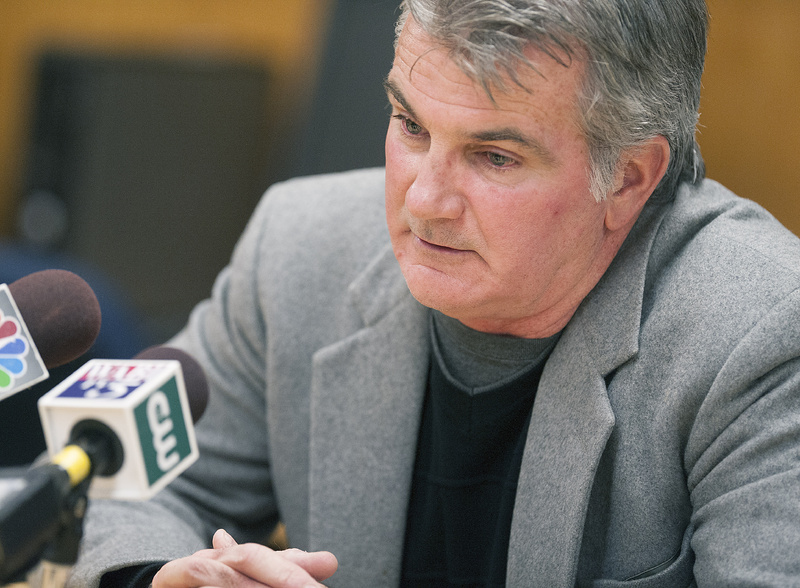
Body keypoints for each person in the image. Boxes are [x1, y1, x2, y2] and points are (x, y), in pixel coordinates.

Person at [66, 0, 800, 586]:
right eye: (411, 125)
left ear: (629, 177)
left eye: (493, 156)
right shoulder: (301, 249)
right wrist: (163, 578)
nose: (424, 201)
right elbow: (116, 482)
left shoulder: (759, 332)